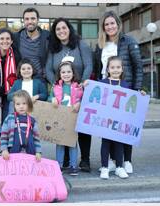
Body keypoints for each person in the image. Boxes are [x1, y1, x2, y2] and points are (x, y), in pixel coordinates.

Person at [93, 10, 143, 174]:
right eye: (106, 24)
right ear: (103, 27)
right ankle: (113, 160)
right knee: (109, 128)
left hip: (125, 89)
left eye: (112, 23)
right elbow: (98, 68)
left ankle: (127, 160)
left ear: (118, 24)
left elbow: (138, 66)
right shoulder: (100, 44)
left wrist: (136, 90)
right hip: (106, 91)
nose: (109, 26)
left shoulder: (128, 41)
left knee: (124, 126)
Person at [46, 17, 93, 172]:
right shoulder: (53, 48)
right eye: (58, 29)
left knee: (82, 127)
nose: (61, 31)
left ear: (69, 29)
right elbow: (48, 69)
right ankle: (65, 160)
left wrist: (82, 81)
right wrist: (56, 83)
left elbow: (88, 65)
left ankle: (85, 159)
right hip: (62, 91)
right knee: (64, 126)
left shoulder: (80, 45)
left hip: (80, 90)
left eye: (63, 28)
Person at [0, 7, 50, 81]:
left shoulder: (47, 36)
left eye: (33, 18)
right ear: (23, 21)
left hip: (40, 79)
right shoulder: (16, 37)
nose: (30, 21)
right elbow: (4, 42)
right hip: (21, 79)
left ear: (38, 20)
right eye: (27, 19)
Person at [48, 61, 84, 176]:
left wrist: (80, 103)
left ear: (73, 73)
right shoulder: (56, 86)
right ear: (59, 74)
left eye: (69, 71)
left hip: (73, 118)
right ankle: (59, 165)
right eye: (63, 72)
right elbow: (51, 97)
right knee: (60, 142)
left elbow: (84, 99)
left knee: (72, 142)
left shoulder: (78, 86)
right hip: (60, 118)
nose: (66, 74)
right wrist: (52, 99)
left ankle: (73, 166)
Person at [0, 90, 42, 162]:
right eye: (18, 104)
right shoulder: (9, 118)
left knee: (28, 171)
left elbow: (36, 138)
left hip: (30, 152)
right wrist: (4, 150)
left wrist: (38, 152)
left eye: (24, 103)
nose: (21, 106)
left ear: (29, 104)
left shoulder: (32, 120)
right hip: (13, 151)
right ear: (14, 105)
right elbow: (4, 135)